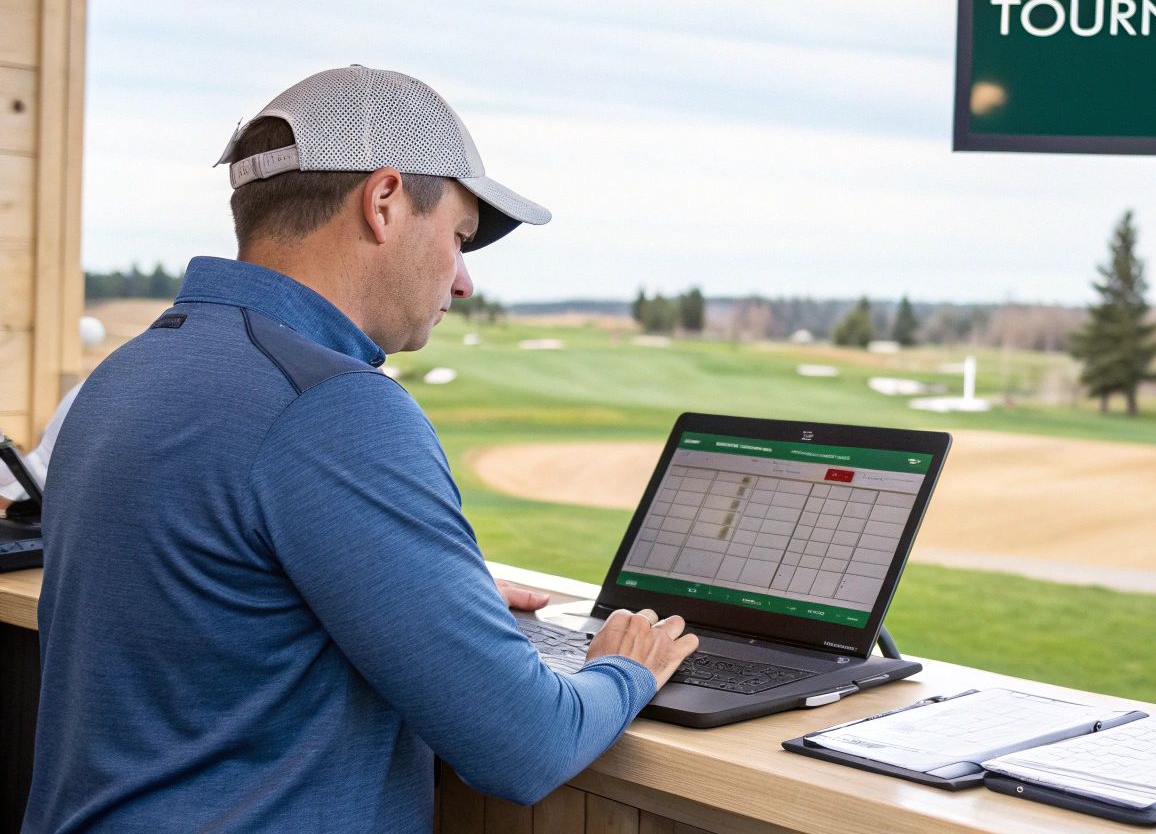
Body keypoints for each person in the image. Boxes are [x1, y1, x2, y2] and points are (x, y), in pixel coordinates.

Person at [26, 66, 699, 833]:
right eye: (459, 236)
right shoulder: (334, 405)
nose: (465, 279)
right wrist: (624, 668)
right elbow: (526, 745)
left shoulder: (125, 373)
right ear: (384, 204)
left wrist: (421, 582)